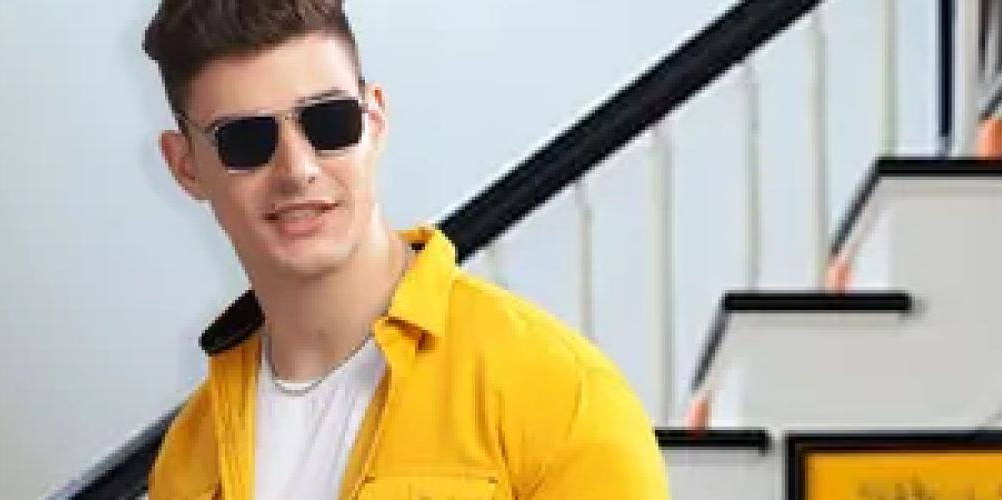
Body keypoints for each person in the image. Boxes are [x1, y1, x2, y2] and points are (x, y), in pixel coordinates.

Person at [138, 0, 670, 497]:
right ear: (185, 166)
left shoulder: (559, 394)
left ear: (373, 121)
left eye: (329, 121)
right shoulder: (189, 455)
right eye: (245, 140)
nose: (298, 170)